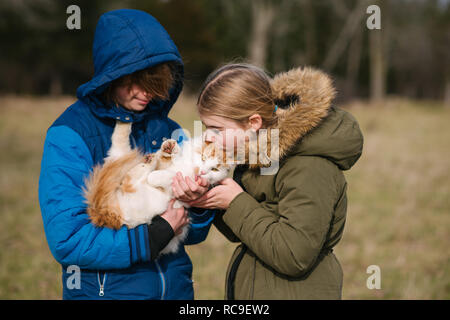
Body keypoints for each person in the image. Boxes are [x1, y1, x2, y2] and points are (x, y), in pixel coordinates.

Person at [38, 9, 214, 300]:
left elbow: (194, 232)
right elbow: (67, 240)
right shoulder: (68, 135)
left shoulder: (171, 132)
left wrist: (198, 205)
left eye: (155, 82)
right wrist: (149, 238)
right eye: (133, 81)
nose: (145, 93)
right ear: (110, 75)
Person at [186, 63, 364, 299]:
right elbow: (246, 230)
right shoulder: (257, 156)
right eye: (206, 126)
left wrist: (234, 202)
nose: (208, 136)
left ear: (254, 123)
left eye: (216, 128)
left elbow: (294, 255)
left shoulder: (309, 166)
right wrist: (207, 197)